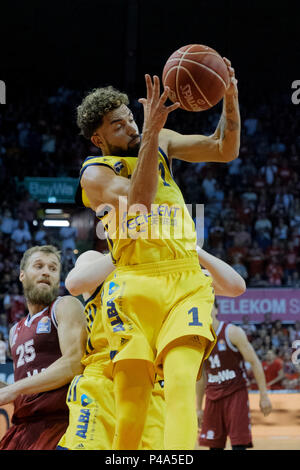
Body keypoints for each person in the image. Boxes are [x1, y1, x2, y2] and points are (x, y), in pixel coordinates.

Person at [75, 62, 240, 449]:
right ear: (98, 139)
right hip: (134, 285)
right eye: (118, 125)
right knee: (131, 410)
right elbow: (140, 203)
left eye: (130, 118)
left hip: (184, 280)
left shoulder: (158, 137)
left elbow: (223, 149)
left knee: (182, 382)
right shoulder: (94, 175)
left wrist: (229, 98)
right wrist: (150, 133)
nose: (131, 126)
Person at [58, 245, 246, 450]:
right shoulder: (98, 258)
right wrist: (124, 251)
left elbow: (236, 286)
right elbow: (74, 284)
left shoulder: (177, 270)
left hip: (152, 386)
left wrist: (194, 250)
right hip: (104, 380)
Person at [0, 245, 86, 450]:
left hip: (59, 422)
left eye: (53, 268)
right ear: (22, 275)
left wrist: (14, 388)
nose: (46, 272)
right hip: (23, 427)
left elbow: (75, 363)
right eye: (38, 266)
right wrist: (7, 387)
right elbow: (22, 386)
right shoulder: (15, 331)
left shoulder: (65, 306)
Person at [197, 300, 272, 450]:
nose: (206, 309)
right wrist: (198, 407)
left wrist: (264, 395)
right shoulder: (199, 339)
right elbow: (201, 376)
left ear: (217, 310)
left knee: (239, 444)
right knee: (214, 446)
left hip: (235, 393)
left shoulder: (232, 332)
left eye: (209, 306)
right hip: (212, 397)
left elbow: (255, 362)